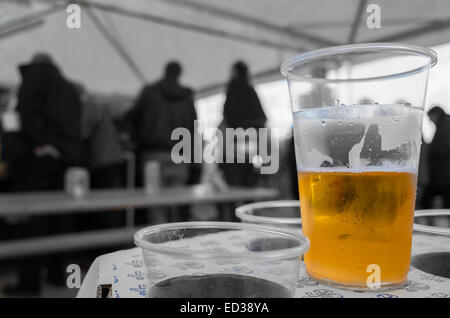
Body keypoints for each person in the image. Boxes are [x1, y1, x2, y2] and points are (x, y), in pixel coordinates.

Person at [4, 53, 83, 296]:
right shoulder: (69, 88)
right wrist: (61, 148)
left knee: (31, 220)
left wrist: (40, 143)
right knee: (59, 218)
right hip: (64, 161)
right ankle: (59, 275)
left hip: (35, 161)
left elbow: (25, 113)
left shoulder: (34, 78)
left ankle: (29, 283)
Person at [126, 61, 198, 223]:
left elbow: (132, 117)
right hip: (180, 156)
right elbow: (193, 128)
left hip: (153, 155)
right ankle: (174, 244)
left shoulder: (150, 92)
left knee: (155, 205)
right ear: (179, 74)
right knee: (175, 205)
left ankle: (158, 244)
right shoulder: (187, 98)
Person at [220, 61, 267, 187]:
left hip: (234, 144)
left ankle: (236, 206)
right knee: (248, 183)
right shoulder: (250, 90)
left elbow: (227, 116)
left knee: (234, 184)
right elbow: (262, 119)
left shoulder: (233, 89)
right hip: (249, 146)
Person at [424, 105, 450, 208]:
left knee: (427, 202)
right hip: (443, 175)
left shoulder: (446, 125)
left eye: (430, 118)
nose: (430, 121)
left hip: (444, 176)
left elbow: (440, 149)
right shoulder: (443, 124)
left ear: (436, 114)